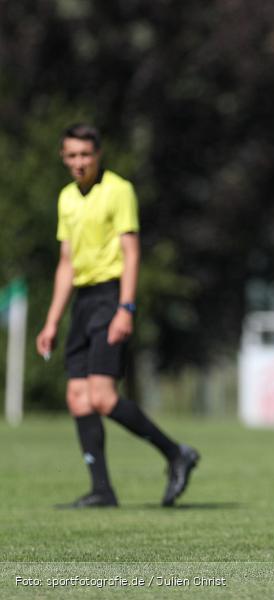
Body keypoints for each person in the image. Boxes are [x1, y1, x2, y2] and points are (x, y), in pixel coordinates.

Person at [36, 124, 199, 508]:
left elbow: (131, 251)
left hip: (110, 296)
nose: (79, 162)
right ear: (63, 157)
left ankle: (176, 453)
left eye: (85, 154)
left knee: (103, 397)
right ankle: (102, 491)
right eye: (72, 155)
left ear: (98, 155)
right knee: (78, 398)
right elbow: (66, 263)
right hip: (83, 300)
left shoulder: (118, 190)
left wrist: (126, 307)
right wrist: (52, 321)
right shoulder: (66, 198)